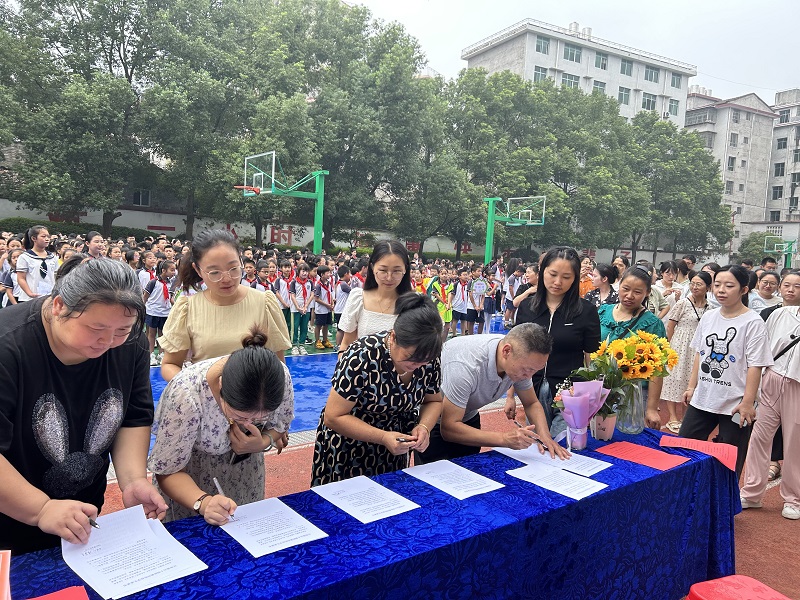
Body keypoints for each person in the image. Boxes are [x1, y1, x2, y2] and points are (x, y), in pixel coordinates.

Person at [0, 259, 167, 554]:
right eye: (96, 328)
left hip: (81, 516)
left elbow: (133, 416)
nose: (108, 341)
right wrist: (41, 509)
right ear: (59, 306)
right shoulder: (8, 346)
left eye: (122, 329)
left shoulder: (130, 345)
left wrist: (132, 480)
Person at [148, 327, 293, 524]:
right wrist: (204, 503)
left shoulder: (278, 377)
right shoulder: (187, 395)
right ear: (222, 385)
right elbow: (167, 470)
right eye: (239, 416)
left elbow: (280, 424)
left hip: (246, 475)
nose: (249, 424)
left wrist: (263, 442)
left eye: (261, 418)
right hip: (191, 482)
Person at [311, 294, 443, 486]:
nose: (417, 366)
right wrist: (382, 436)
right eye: (410, 358)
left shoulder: (429, 358)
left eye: (424, 361)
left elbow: (433, 400)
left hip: (394, 447)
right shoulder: (361, 356)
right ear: (393, 337)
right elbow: (333, 416)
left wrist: (424, 427)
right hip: (348, 449)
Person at [415, 323, 569, 466]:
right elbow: (448, 428)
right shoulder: (466, 365)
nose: (529, 376)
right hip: (433, 423)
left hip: (468, 416)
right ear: (506, 351)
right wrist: (504, 439)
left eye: (535, 370)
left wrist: (545, 436)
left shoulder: (519, 358)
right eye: (527, 369)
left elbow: (531, 403)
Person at [158, 230, 290, 382]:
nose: (227, 279)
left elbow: (278, 365)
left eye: (233, 269)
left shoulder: (264, 303)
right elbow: (170, 364)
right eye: (214, 272)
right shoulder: (188, 308)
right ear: (198, 270)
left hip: (254, 395)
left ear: (241, 261)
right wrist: (200, 387)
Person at [679, 265, 773, 479]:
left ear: (744, 289)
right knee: (684, 447)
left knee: (729, 461)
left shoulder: (753, 322)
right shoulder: (709, 317)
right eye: (718, 285)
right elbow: (700, 354)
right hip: (703, 398)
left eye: (729, 286)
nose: (721, 290)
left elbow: (755, 365)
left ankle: (726, 500)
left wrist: (747, 403)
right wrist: (691, 387)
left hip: (735, 403)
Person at [511, 247, 602, 431]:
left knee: (564, 443)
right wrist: (509, 395)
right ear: (542, 271)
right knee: (539, 441)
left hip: (570, 393)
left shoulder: (586, 311)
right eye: (552, 274)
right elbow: (516, 352)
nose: (558, 282)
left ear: (575, 278)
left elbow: (592, 355)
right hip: (532, 390)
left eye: (566, 277)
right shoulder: (527, 307)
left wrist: (595, 392)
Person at [740, 293, 800, 520]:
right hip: (771, 379)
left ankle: (793, 498)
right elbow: (762, 347)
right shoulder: (781, 313)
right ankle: (752, 492)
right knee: (758, 437)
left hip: (797, 383)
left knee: (795, 443)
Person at [597, 265, 668, 429]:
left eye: (637, 292)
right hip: (599, 389)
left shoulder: (652, 324)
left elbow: (657, 369)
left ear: (648, 292)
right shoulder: (602, 312)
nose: (629, 296)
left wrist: (651, 408)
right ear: (619, 285)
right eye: (625, 289)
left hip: (632, 395)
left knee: (625, 435)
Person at [338, 240, 412, 351]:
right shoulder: (358, 299)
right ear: (372, 267)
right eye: (383, 270)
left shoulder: (413, 304)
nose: (389, 277)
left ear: (405, 269)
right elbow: (346, 346)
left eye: (396, 271)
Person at [662, 272, 712, 433]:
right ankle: (672, 417)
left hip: (698, 348)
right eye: (692, 283)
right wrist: (668, 347)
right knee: (674, 378)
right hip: (679, 345)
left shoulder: (710, 308)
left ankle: (685, 417)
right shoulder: (683, 303)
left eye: (699, 284)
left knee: (691, 380)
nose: (694, 287)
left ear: (708, 287)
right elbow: (671, 326)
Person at [143, 259, 177, 366]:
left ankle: (162, 354)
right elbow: (145, 297)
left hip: (165, 312)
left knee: (162, 334)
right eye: (172, 270)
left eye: (174, 270)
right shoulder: (153, 282)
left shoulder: (171, 283)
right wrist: (141, 308)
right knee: (151, 334)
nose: (174, 272)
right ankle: (151, 354)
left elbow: (171, 297)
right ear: (163, 270)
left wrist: (176, 306)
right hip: (153, 311)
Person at [16, 226, 58, 302]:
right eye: (43, 236)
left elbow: (55, 276)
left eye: (48, 236)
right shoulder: (25, 257)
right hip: (29, 299)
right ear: (34, 238)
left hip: (48, 297)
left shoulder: (52, 257)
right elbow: (21, 278)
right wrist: (29, 293)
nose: (47, 239)